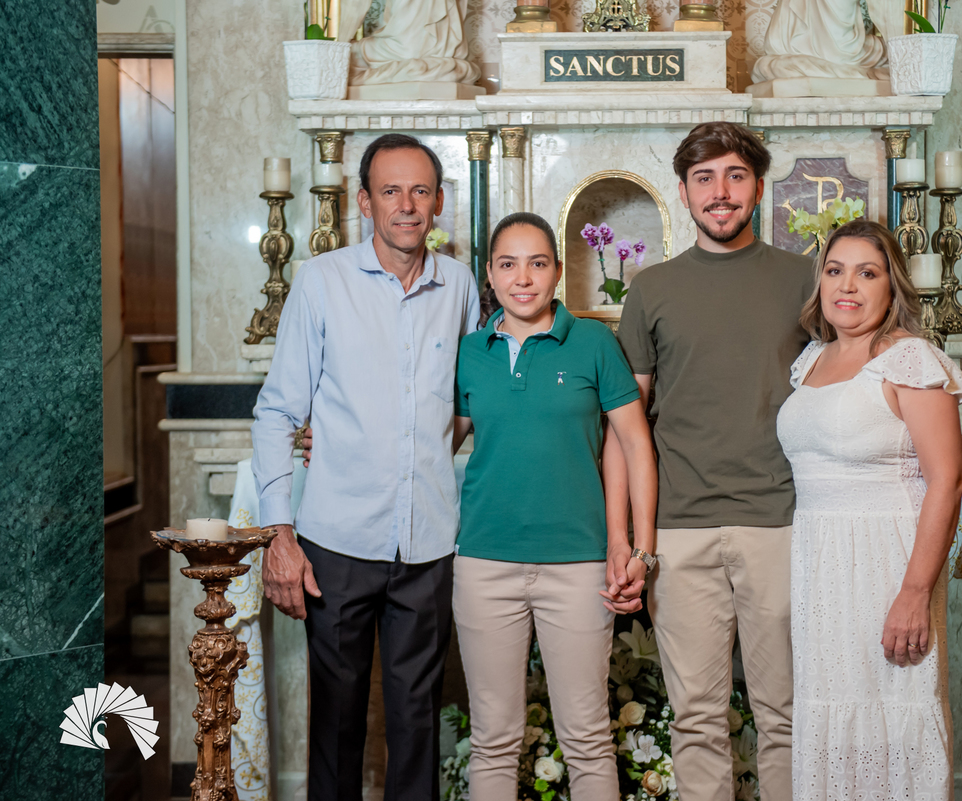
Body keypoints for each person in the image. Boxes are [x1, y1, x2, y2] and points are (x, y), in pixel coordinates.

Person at [251, 133, 480, 801]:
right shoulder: (322, 282)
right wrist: (280, 535)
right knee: (336, 723)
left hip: (427, 541)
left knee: (418, 722)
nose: (406, 205)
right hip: (337, 541)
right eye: (390, 191)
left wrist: (418, 448)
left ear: (439, 203)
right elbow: (277, 410)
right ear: (363, 202)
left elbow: (465, 400)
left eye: (419, 191)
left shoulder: (459, 285)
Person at [604, 121, 814, 801]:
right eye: (704, 178)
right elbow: (625, 425)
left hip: (779, 522)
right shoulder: (652, 289)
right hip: (680, 528)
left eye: (735, 176)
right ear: (684, 190)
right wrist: (628, 540)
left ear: (759, 186)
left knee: (786, 715)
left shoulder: (807, 279)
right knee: (696, 718)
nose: (720, 192)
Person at [450, 212, 658, 800]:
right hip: (484, 563)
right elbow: (431, 444)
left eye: (537, 263)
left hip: (579, 565)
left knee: (587, 738)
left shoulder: (592, 343)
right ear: (490, 274)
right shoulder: (470, 352)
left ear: (558, 271)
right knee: (493, 740)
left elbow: (636, 446)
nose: (523, 278)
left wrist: (639, 548)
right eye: (508, 264)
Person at [776, 219, 962, 800]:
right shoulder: (811, 359)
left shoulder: (910, 359)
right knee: (829, 707)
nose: (848, 286)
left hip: (885, 564)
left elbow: (949, 481)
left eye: (867, 273)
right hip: (821, 566)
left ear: (893, 287)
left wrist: (915, 593)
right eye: (835, 271)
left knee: (894, 708)